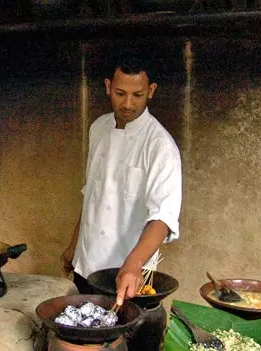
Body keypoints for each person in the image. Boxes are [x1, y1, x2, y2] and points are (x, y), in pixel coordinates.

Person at [62, 51, 182, 307]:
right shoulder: (98, 128)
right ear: (108, 87)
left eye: (137, 95)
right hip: (86, 264)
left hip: (127, 275)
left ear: (151, 91)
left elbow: (162, 217)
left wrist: (134, 263)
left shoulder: (160, 146)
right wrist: (74, 245)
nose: (128, 103)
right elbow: (93, 192)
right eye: (120, 93)